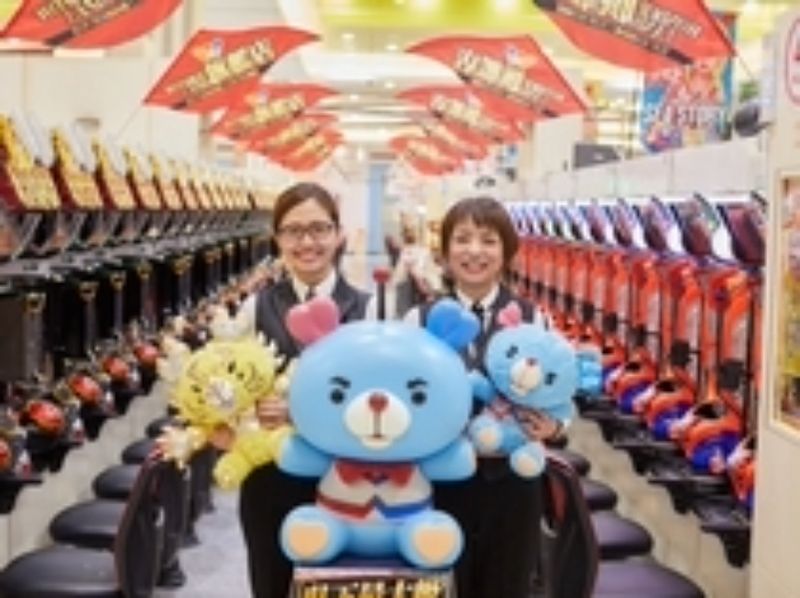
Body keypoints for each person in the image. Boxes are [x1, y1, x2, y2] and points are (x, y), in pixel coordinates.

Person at [405, 196, 566, 598]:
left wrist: (554, 426)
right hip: (438, 482)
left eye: (488, 240)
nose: (474, 251)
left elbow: (559, 391)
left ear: (507, 252)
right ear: (444, 251)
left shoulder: (534, 318)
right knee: (440, 586)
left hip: (513, 483)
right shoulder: (418, 320)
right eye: (462, 239)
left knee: (507, 586)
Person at [232, 182, 372, 598]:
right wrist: (242, 418)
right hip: (270, 479)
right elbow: (228, 389)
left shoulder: (370, 309)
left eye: (318, 229)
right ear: (277, 238)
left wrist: (303, 413)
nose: (307, 242)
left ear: (338, 234)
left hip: (348, 479)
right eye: (293, 231)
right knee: (271, 583)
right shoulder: (254, 308)